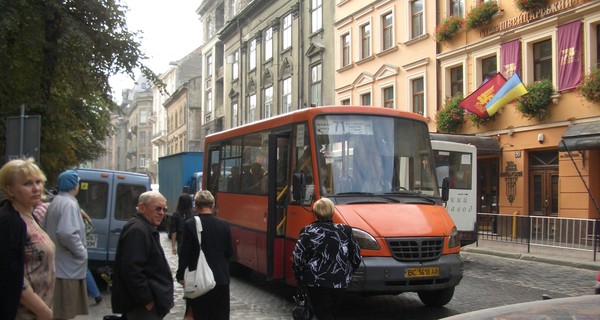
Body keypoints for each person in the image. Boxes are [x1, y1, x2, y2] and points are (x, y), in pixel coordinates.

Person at [0, 158, 55, 319]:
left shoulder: (29, 215)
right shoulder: (9, 221)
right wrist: (45, 313)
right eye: (27, 184)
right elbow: (12, 277)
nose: (36, 188)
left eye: (38, 182)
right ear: (10, 190)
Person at [292, 197, 362, 320]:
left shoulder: (308, 231)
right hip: (339, 280)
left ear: (315, 212)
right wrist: (348, 272)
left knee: (322, 312)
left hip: (315, 280)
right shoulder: (345, 230)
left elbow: (298, 256)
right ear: (332, 212)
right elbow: (356, 256)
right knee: (333, 312)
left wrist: (299, 275)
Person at [111, 191, 174, 319]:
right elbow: (131, 270)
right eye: (157, 208)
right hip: (141, 308)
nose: (162, 213)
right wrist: (147, 301)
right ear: (142, 208)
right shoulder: (138, 230)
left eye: (164, 209)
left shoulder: (144, 228)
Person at [176, 190, 233, 320]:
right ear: (213, 205)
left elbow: (184, 253)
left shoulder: (190, 224)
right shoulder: (224, 225)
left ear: (196, 206)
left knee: (199, 314)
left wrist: (180, 275)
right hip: (220, 278)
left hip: (198, 279)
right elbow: (229, 252)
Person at [43, 169, 89, 319]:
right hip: (67, 267)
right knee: (63, 311)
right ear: (73, 186)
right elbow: (66, 233)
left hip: (59, 265)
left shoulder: (56, 201)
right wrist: (81, 252)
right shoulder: (69, 204)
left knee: (58, 310)